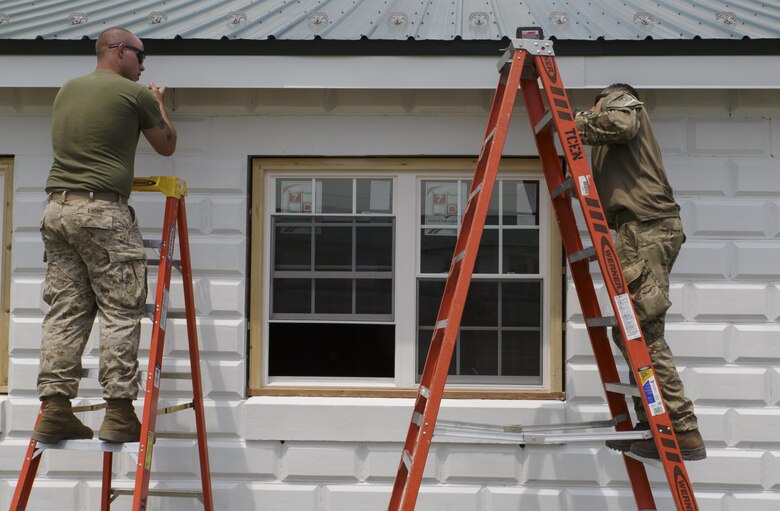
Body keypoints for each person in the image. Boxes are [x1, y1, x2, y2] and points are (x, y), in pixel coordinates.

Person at [33, 27, 177, 444]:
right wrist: (160, 105)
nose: (144, 64)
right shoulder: (136, 95)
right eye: (140, 55)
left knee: (67, 308)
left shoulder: (67, 90)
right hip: (102, 213)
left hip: (57, 211)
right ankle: (118, 412)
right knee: (120, 308)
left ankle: (55, 409)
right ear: (118, 51)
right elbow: (166, 145)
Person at [574, 84, 705, 461]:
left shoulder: (619, 100)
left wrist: (571, 123)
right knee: (629, 333)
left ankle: (681, 430)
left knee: (643, 334)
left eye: (594, 106)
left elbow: (621, 122)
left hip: (646, 228)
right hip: (637, 230)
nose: (591, 111)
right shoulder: (606, 148)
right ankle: (653, 422)